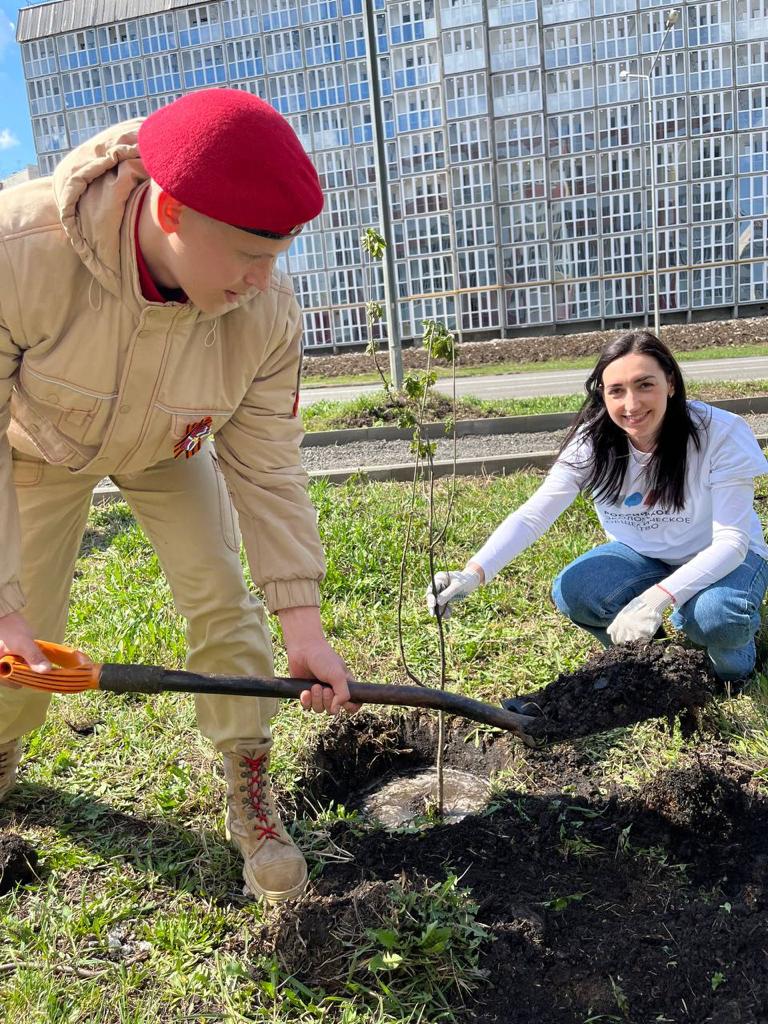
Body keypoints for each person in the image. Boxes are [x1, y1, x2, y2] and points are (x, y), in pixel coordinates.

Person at [0, 88, 357, 904]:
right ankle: (1, 746)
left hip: (168, 448)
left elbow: (267, 464)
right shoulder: (19, 250)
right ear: (170, 211)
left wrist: (302, 619)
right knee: (25, 637)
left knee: (223, 597)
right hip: (37, 447)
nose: (262, 280)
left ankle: (248, 781)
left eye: (278, 255)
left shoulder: (264, 312)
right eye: (245, 255)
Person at [428, 331, 768, 696]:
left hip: (723, 555)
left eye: (644, 385)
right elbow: (534, 515)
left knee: (715, 617)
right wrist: (473, 573)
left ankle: (734, 670)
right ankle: (652, 659)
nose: (631, 404)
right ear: (602, 395)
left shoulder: (720, 433)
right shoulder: (594, 441)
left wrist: (656, 599)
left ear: (670, 383)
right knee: (576, 590)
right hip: (643, 554)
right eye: (616, 391)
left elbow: (732, 542)